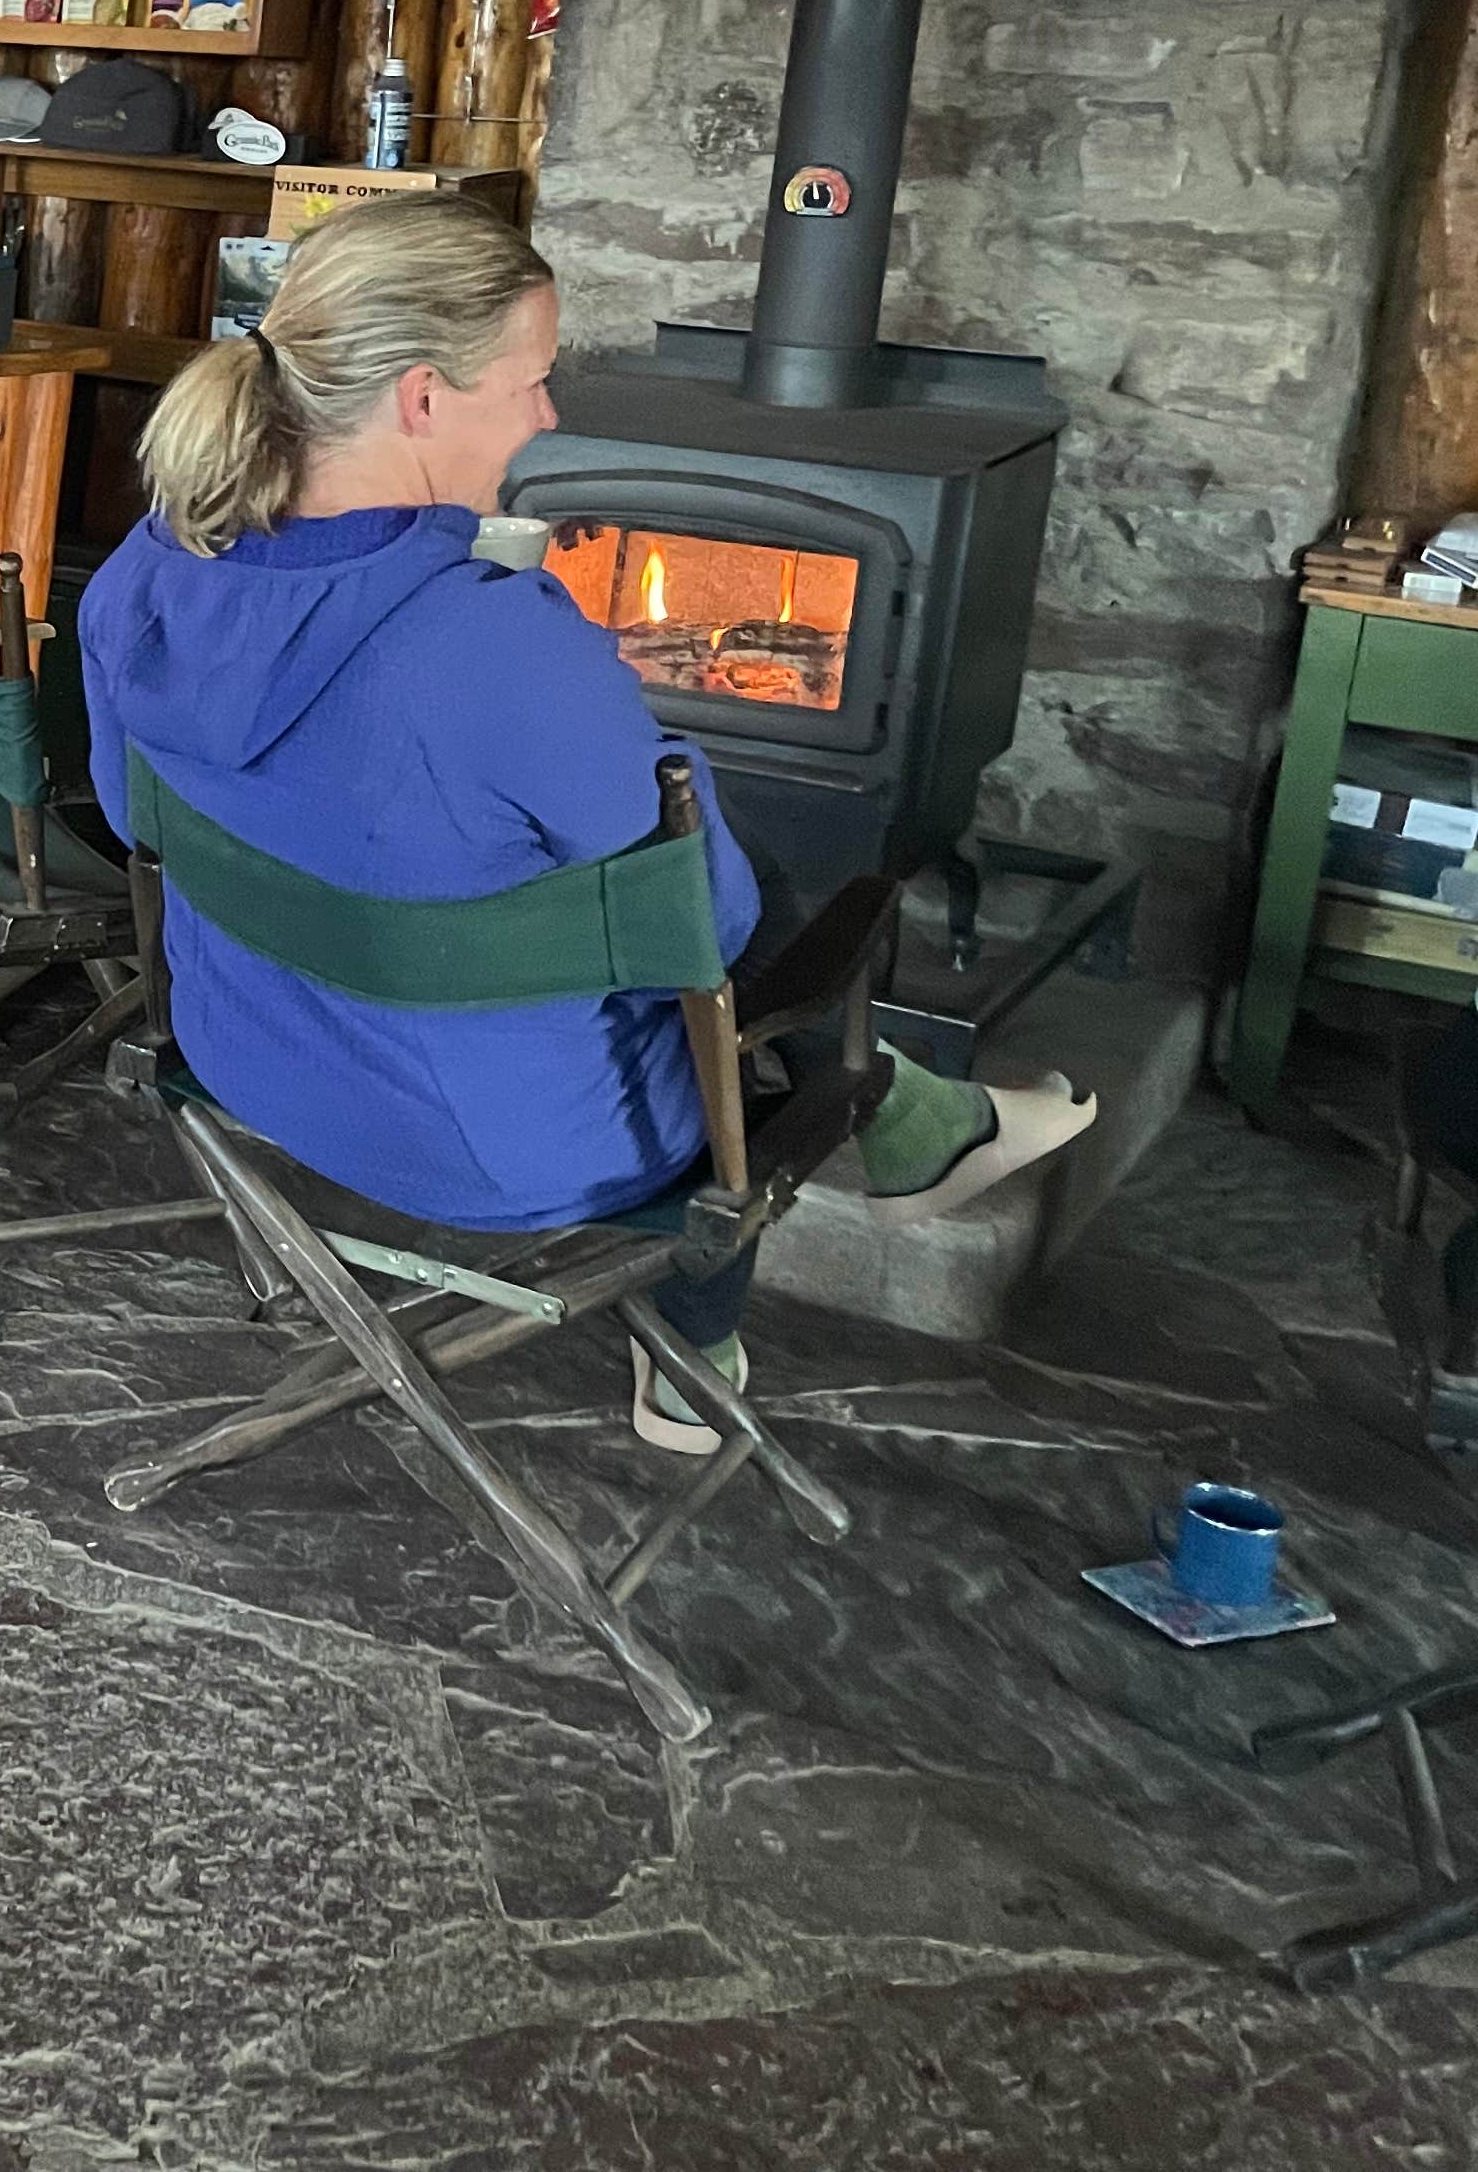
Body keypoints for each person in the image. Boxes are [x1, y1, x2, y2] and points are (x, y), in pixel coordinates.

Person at [79, 196, 1093, 1450]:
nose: (551, 417)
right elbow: (705, 932)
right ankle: (759, 1271)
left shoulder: (146, 571)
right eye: (534, 381)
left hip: (252, 1062)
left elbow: (136, 817)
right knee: (761, 922)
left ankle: (921, 1130)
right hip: (508, 1151)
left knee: (671, 894)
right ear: (423, 399)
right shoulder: (495, 644)